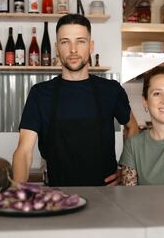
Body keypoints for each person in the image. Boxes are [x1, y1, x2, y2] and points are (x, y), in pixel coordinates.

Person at [12, 14, 139, 186]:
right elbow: (24, 151)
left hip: (106, 197)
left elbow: (133, 128)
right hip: (59, 197)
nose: (73, 49)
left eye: (80, 41)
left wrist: (125, 168)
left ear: (91, 46)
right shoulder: (40, 94)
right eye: (65, 42)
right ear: (57, 48)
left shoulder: (111, 90)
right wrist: (16, 191)